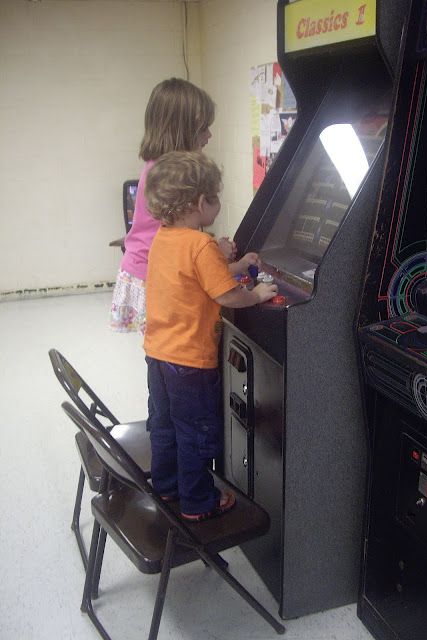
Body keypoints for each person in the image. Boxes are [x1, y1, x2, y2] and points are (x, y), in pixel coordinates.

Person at [143, 151, 278, 521]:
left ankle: (167, 486)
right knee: (196, 433)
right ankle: (199, 502)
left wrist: (237, 265)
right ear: (202, 202)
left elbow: (201, 277)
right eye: (216, 198)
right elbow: (225, 293)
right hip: (190, 362)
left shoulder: (165, 238)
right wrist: (256, 295)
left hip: (158, 355)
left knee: (165, 425)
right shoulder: (201, 245)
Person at [109, 78, 236, 335]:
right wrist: (214, 253)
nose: (209, 135)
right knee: (172, 349)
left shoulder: (160, 167)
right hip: (154, 274)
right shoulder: (170, 177)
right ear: (182, 129)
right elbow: (178, 249)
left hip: (145, 268)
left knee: (160, 351)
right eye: (203, 128)